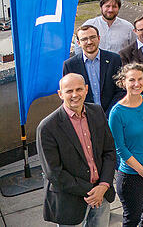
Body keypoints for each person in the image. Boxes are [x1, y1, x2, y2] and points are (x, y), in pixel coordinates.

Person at [37, 73, 116, 227]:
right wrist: (93, 190)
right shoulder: (47, 128)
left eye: (79, 89)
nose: (75, 95)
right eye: (69, 91)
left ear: (86, 89)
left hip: (102, 194)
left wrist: (104, 185)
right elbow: (54, 172)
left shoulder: (97, 112)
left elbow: (109, 151)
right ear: (60, 94)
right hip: (70, 200)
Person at [108, 64, 143, 227]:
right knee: (132, 219)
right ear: (123, 82)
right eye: (131, 80)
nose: (137, 84)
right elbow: (120, 148)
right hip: (131, 176)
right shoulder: (116, 113)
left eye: (140, 79)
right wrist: (141, 170)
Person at [63, 25, 124, 115]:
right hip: (85, 117)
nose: (89, 42)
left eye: (92, 37)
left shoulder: (114, 59)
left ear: (99, 38)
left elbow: (121, 90)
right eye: (84, 39)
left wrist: (109, 114)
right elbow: (69, 95)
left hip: (113, 115)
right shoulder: (70, 65)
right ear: (78, 43)